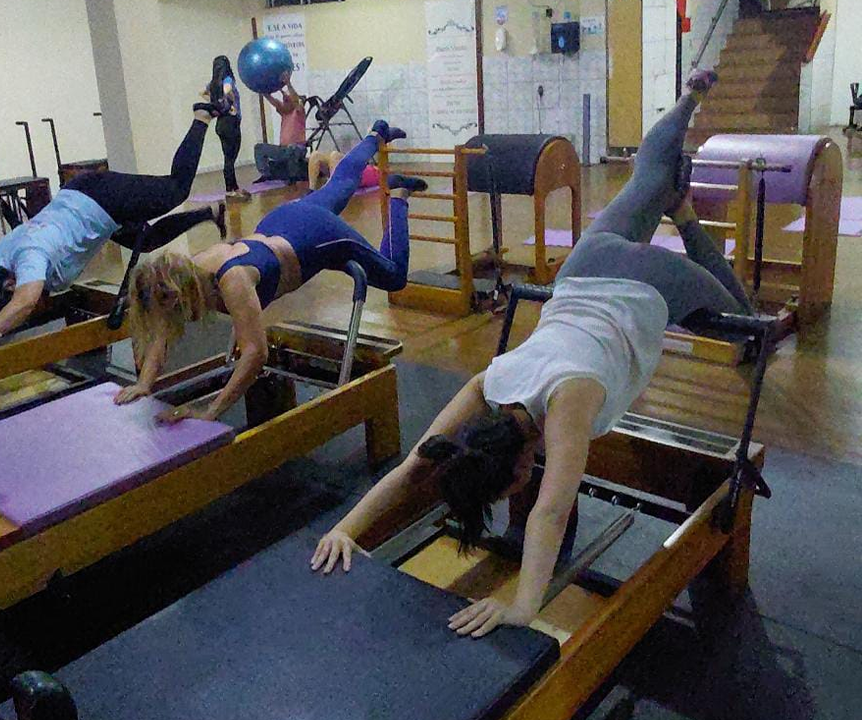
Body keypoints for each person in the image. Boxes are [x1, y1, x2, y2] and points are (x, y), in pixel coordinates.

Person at [310, 71, 754, 638]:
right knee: (649, 176)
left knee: (744, 328)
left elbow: (550, 508)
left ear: (520, 469)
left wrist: (523, 607)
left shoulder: (568, 404)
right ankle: (690, 97)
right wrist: (346, 529)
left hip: (644, 283)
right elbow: (417, 465)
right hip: (583, 267)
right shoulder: (488, 386)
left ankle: (685, 217)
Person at [114, 120, 425, 423]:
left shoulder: (232, 280)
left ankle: (398, 197)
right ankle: (376, 132)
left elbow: (255, 353)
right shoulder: (185, 272)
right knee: (341, 183)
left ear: (175, 296)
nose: (166, 319)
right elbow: (162, 331)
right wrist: (144, 384)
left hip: (317, 235)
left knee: (394, 276)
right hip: (284, 221)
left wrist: (209, 411)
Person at [0, 104, 227, 350]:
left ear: (11, 283)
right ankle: (209, 213)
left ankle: (201, 115)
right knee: (147, 239)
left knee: (176, 189)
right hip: (89, 205)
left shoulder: (30, 258)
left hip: (100, 198)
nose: (31, 304)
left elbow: (24, 302)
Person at [204, 55, 249, 202]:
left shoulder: (212, 83)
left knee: (228, 158)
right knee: (230, 158)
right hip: (231, 122)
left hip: (221, 124)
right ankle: (230, 189)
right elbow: (227, 90)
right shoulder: (228, 79)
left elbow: (204, 93)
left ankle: (234, 187)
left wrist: (216, 104)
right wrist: (231, 103)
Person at [263, 71, 307, 148]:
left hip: (296, 148)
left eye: (287, 100)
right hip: (284, 148)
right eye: (284, 101)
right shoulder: (284, 113)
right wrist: (262, 90)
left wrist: (288, 83)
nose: (284, 102)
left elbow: (295, 100)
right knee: (260, 148)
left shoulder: (298, 112)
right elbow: (274, 102)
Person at [308, 149, 380, 192]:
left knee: (334, 155)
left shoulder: (376, 174)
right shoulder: (374, 171)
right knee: (316, 155)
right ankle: (312, 189)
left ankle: (328, 188)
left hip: (351, 176)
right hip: (346, 173)